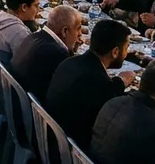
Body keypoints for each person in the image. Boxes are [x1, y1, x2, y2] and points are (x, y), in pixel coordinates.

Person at [46, 19, 135, 148]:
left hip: (51, 137)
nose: (126, 53)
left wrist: (119, 82)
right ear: (115, 52)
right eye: (126, 48)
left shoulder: (69, 62)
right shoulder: (100, 83)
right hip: (71, 150)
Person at [10, 4, 81, 99]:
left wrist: (71, 49)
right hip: (31, 105)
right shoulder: (58, 53)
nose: (80, 34)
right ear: (65, 31)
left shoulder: (33, 36)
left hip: (14, 98)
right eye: (78, 29)